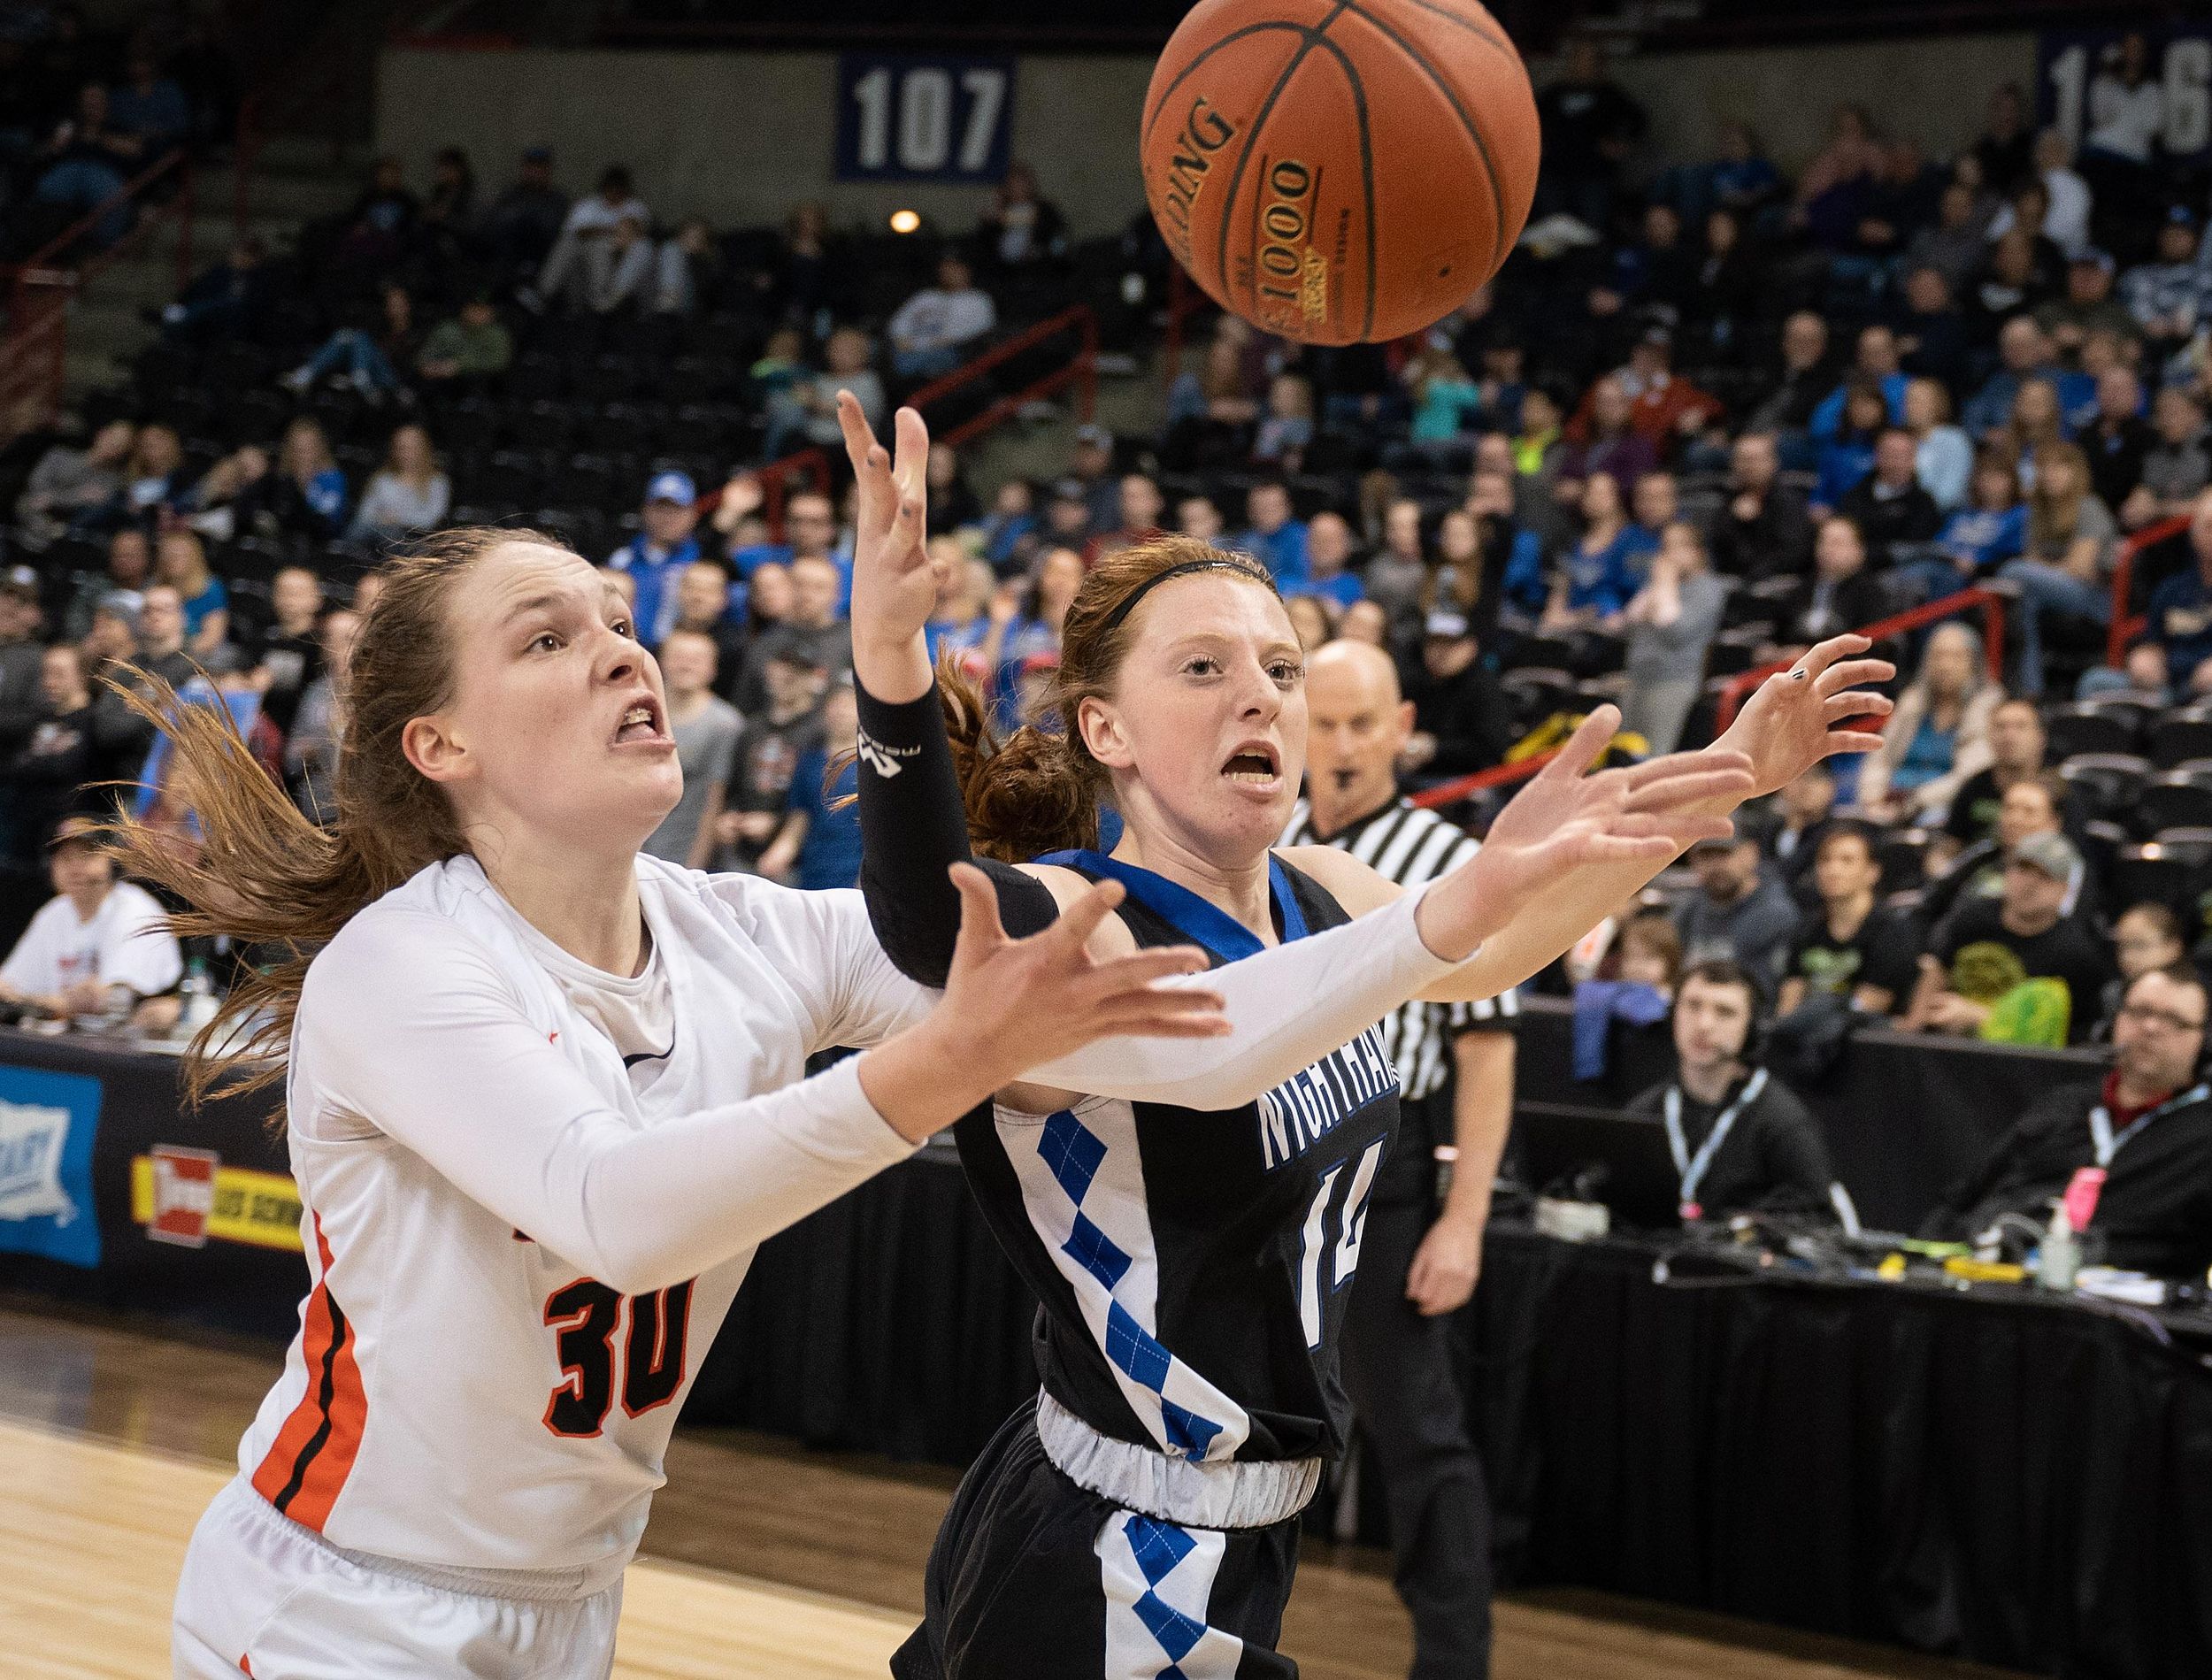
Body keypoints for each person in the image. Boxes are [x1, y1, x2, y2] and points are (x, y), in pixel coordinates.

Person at [833, 392, 1884, 1680]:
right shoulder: (1081, 916)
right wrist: (890, 658)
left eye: (1278, 668)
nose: (1260, 699)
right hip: (1118, 1546)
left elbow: (1491, 949)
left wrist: (1728, 775)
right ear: (1104, 727)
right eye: (1205, 668)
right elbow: (934, 935)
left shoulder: (1325, 889)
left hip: (1233, 1528)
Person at [150, 523, 1241, 1676]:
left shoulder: (742, 931)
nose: (626, 653)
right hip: (339, 1607)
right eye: (548, 638)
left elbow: (993, 968)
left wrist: (1380, 918)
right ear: (442, 740)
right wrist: (949, 1061)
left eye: (622, 621)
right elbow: (619, 1209)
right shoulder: (400, 962)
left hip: (572, 1606)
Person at [1279, 639, 1513, 1680]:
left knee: (1415, 1431)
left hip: (1390, 1154)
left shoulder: (1443, 856)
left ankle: (1453, 1663)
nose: (1339, 747)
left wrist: (1463, 1218)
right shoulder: (1266, 838)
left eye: (1360, 725)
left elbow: (1489, 1050)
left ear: (1403, 727)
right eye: (1320, 723)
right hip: (1272, 1144)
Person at [1924, 963, 2212, 1277]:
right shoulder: (2063, 1107)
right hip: (2001, 1277)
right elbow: (1967, 1195)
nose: (2151, 1028)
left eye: (2174, 1021)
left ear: (2203, 1041)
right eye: (2140, 1011)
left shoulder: (2202, 1139)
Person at [1624, 960, 1839, 1222]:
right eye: (1692, 1006)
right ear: (1673, 1015)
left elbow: (1817, 1216)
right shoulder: (1645, 1112)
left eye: (1724, 1012)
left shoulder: (1782, 1123)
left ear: (1751, 1029)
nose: (1704, 1025)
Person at [1907, 831, 2112, 1046]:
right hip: (1946, 1044)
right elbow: (1937, 972)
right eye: (2022, 869)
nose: (2029, 884)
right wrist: (1911, 1034)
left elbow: (2062, 1036)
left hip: (2022, 1064)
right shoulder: (1972, 917)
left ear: (2063, 890)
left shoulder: (2076, 955)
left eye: (2044, 876)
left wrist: (1980, 1017)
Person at [0, 816, 182, 1025]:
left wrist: (36, 1003)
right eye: (65, 858)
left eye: (87, 855)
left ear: (113, 861)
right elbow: (10, 986)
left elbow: (112, 1000)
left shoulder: (135, 908)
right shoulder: (54, 912)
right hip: (65, 1042)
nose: (75, 868)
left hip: (126, 1044)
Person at [1998, 441, 2119, 695]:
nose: (2050, 474)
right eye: (2045, 468)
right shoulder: (2038, 514)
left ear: (2075, 472)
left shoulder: (2089, 507)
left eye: (2059, 467)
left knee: (2012, 572)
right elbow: (2035, 561)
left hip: (2096, 599)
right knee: (2024, 603)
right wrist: (2051, 567)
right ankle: (2032, 691)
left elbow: (2081, 569)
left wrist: (2043, 567)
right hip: (2051, 594)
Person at [1855, 621, 2000, 825]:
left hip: (1942, 808)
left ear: (1974, 663)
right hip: (1889, 801)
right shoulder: (1911, 702)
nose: (1945, 666)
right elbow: (1880, 757)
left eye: (1956, 656)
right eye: (1938, 656)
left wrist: (1914, 801)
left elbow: (1970, 775)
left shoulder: (1988, 706)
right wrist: (1873, 797)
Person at [1776, 822, 1916, 1018]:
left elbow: (1871, 1005)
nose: (1833, 870)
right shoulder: (1805, 929)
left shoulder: (1893, 931)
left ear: (1872, 872)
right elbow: (1789, 1000)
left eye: (1847, 860)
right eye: (1825, 860)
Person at [640, 627, 741, 870]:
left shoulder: (724, 724)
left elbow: (714, 801)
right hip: (638, 847)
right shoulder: (639, 713)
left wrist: (695, 868)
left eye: (696, 660)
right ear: (661, 662)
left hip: (687, 854)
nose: (686, 666)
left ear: (712, 668)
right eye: (678, 657)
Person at [1620, 521, 1724, 754]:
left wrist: (1665, 583)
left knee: (1653, 757)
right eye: (1666, 547)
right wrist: (1659, 586)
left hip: (1673, 682)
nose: (1669, 555)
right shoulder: (1655, 585)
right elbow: (1628, 623)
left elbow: (1676, 630)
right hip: (1638, 678)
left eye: (1679, 547)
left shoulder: (1708, 588)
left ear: (1697, 552)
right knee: (1624, 754)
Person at [1675, 816, 1801, 994]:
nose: (1715, 865)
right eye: (1707, 856)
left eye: (1724, 854)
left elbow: (1763, 992)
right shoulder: (1689, 910)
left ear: (1751, 853)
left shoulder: (1775, 914)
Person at [606, 472, 702, 649]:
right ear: (645, 510)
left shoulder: (702, 561)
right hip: (627, 649)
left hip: (676, 656)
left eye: (676, 510)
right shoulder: (621, 559)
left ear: (692, 515)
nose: (668, 517)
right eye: (660, 508)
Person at [1711, 432, 1812, 581]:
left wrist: (1753, 523)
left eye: (1755, 460)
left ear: (1773, 462)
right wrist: (1736, 521)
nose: (1749, 467)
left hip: (1779, 587)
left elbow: (1793, 555)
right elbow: (1719, 551)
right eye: (1743, 460)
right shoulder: (1729, 501)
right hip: (1735, 584)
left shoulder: (1789, 501)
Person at [888, 251, 996, 381]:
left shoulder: (978, 299)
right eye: (945, 269)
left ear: (966, 270)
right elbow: (897, 323)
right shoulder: (926, 296)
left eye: (954, 268)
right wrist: (902, 340)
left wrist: (920, 344)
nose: (949, 273)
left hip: (950, 352)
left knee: (909, 362)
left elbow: (976, 331)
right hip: (908, 348)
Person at [349, 423, 450, 544]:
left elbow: (430, 520)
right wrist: (384, 521)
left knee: (393, 535)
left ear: (424, 449)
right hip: (375, 535)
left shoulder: (437, 482)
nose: (406, 453)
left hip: (415, 541)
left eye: (412, 448)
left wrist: (397, 519)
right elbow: (365, 515)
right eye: (402, 447)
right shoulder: (382, 479)